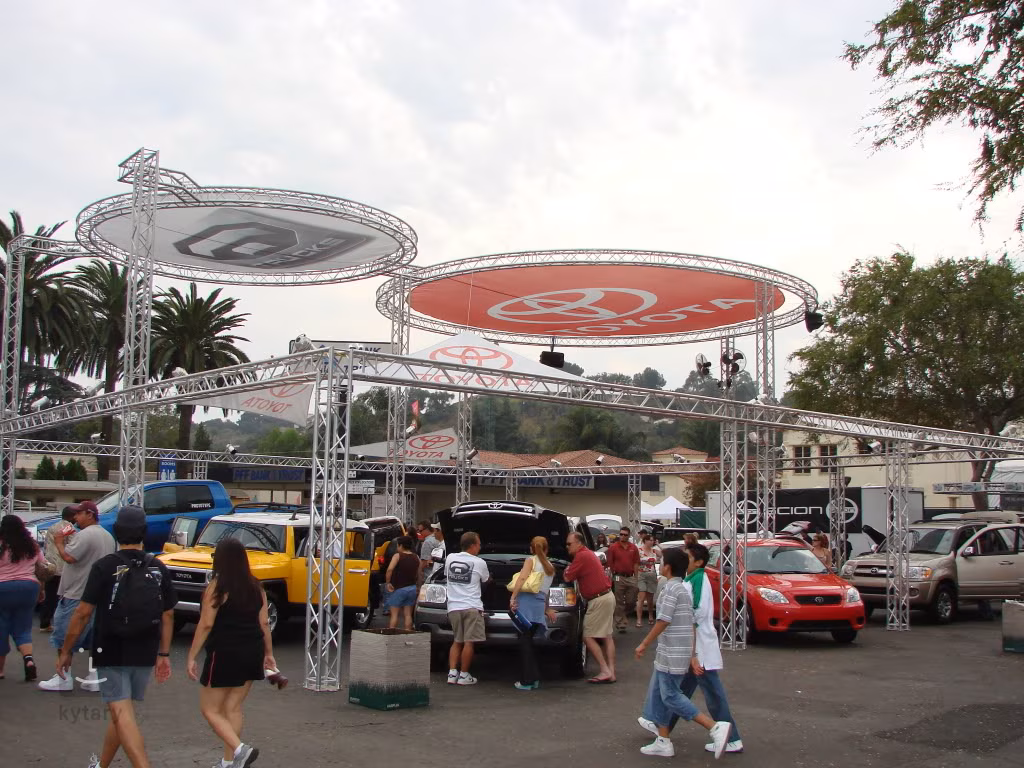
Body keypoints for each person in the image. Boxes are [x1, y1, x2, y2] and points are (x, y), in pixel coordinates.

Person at [57, 506, 177, 768]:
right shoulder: (157, 566)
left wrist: (66, 650)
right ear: (144, 532)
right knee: (121, 711)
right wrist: (164, 653)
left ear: (116, 531)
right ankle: (102, 765)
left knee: (121, 712)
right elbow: (168, 614)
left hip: (110, 647)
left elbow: (82, 613)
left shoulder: (105, 566)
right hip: (145, 647)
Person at [634, 547, 730, 759]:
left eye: (662, 562)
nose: (659, 564)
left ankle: (714, 727)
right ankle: (663, 740)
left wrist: (644, 643)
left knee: (670, 695)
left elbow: (663, 620)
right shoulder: (683, 589)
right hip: (673, 652)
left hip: (672, 653)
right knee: (661, 695)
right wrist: (693, 654)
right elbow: (690, 624)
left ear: (667, 567)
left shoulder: (672, 589)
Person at [187, 537, 274, 768]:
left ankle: (239, 749)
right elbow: (264, 623)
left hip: (225, 652)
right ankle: (229, 762)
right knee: (233, 707)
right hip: (253, 650)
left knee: (210, 709)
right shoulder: (257, 587)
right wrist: (269, 653)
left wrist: (191, 655)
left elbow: (206, 623)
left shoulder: (217, 587)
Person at [670, 543, 743, 754]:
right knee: (678, 691)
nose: (683, 560)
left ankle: (732, 738)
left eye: (687, 557)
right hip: (695, 645)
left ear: (699, 562)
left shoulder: (699, 579)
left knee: (712, 694)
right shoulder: (691, 579)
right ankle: (662, 726)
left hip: (700, 646)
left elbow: (697, 611)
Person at [39, 499, 115, 692]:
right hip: (97, 594)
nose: (76, 517)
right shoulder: (107, 536)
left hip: (76, 592)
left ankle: (63, 678)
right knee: (94, 637)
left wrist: (59, 542)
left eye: (79, 513)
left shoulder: (85, 535)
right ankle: (95, 677)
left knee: (64, 636)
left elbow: (69, 557)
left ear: (90, 514)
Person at [564, 532, 616, 683]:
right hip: (606, 596)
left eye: (569, 544)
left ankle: (605, 670)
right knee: (606, 636)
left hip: (598, 600)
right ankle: (611, 672)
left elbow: (567, 576)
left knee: (588, 636)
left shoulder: (581, 556)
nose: (567, 547)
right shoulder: (588, 554)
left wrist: (566, 569)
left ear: (579, 543)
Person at [508, 536, 557, 690]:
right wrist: (547, 608)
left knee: (524, 642)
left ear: (531, 548)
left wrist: (513, 597)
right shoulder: (550, 566)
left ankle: (527, 681)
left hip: (526, 604)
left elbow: (522, 578)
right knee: (529, 642)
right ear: (546, 549)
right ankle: (533, 678)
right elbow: (546, 591)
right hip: (538, 606)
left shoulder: (530, 560)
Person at [0, 515, 45, 681]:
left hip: (3, 588)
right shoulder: (31, 545)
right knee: (23, 628)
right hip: (29, 587)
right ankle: (29, 660)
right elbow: (42, 566)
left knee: (2, 627)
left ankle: (0, 670)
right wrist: (41, 589)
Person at [444, 531, 490, 686]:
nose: (480, 547)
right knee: (469, 642)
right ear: (472, 546)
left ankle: (452, 674)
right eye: (479, 544)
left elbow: (447, 575)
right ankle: (464, 675)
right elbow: (486, 580)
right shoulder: (479, 562)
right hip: (472, 607)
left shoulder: (450, 558)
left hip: (453, 607)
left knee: (457, 641)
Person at [39, 506, 76, 631]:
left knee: (50, 596)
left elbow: (46, 546)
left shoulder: (52, 527)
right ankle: (63, 625)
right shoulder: (69, 527)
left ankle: (44, 623)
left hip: (51, 566)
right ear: (71, 516)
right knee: (64, 598)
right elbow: (72, 546)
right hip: (63, 567)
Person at [607, 526, 641, 634]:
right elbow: (610, 562)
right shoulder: (613, 547)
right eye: (621, 534)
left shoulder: (633, 548)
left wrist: (636, 578)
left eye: (625, 535)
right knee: (619, 600)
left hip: (630, 576)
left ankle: (623, 614)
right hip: (618, 576)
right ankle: (620, 623)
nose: (622, 536)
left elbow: (636, 563)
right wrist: (613, 574)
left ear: (628, 536)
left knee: (632, 600)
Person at [384, 535, 420, 630]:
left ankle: (392, 633)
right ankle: (407, 633)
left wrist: (388, 582)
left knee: (394, 614)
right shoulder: (416, 557)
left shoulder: (397, 556)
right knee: (408, 615)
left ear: (401, 545)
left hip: (398, 588)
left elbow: (390, 569)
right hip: (412, 588)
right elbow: (419, 573)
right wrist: (418, 586)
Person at [636, 534, 662, 627]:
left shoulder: (654, 551)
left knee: (650, 598)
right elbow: (635, 562)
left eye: (652, 540)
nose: (651, 542)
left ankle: (650, 615)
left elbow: (664, 553)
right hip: (641, 575)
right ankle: (639, 619)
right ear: (645, 541)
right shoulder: (639, 550)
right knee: (641, 597)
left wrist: (658, 544)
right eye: (650, 540)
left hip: (652, 575)